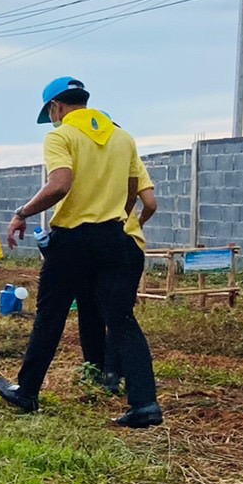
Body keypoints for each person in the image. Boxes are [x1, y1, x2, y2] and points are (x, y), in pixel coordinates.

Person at [0, 77, 161, 428]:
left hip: (72, 240)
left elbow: (60, 184)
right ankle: (145, 404)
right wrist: (112, 215)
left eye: (52, 112)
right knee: (121, 320)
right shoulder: (123, 137)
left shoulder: (61, 136)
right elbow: (134, 190)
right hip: (114, 237)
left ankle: (27, 391)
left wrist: (21, 213)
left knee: (51, 316)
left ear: (56, 106)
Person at [77, 162, 156, 395]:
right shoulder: (133, 162)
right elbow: (150, 204)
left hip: (97, 242)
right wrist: (136, 224)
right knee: (119, 313)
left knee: (90, 308)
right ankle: (112, 373)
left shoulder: (89, 160)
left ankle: (96, 370)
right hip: (132, 245)